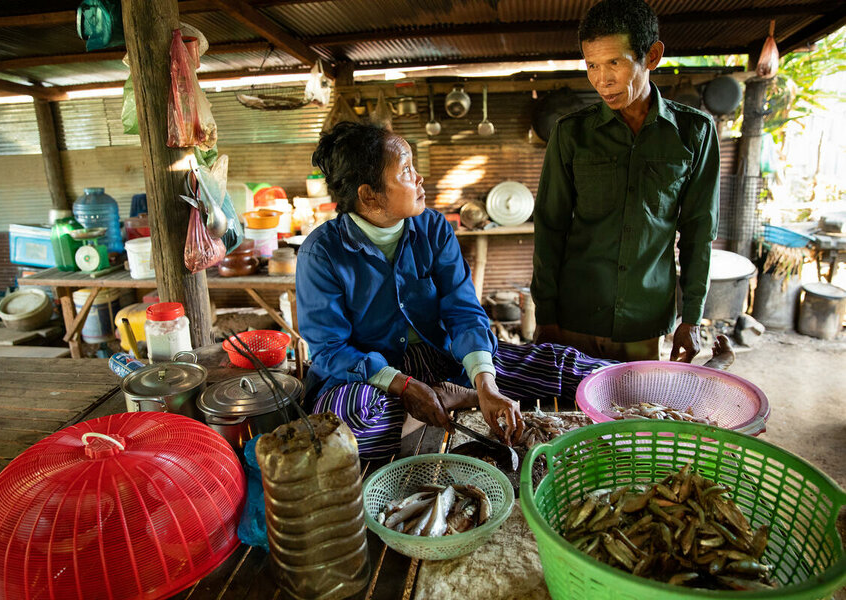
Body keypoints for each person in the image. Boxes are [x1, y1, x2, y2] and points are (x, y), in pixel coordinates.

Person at [296, 122, 732, 459]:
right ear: (369, 196)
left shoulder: (431, 227)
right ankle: (458, 398)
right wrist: (404, 384)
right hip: (375, 375)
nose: (420, 177)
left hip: (444, 356)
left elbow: (463, 311)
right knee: (346, 424)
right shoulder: (323, 252)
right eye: (406, 170)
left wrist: (484, 382)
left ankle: (689, 388)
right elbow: (330, 350)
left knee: (563, 364)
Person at [531, 0, 720, 363]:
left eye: (614, 63)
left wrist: (692, 317)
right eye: (592, 65)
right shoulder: (571, 134)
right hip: (576, 316)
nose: (602, 79)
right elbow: (550, 228)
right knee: (572, 418)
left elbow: (699, 232)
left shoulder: (694, 133)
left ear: (651, 56)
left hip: (644, 320)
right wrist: (547, 314)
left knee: (635, 415)